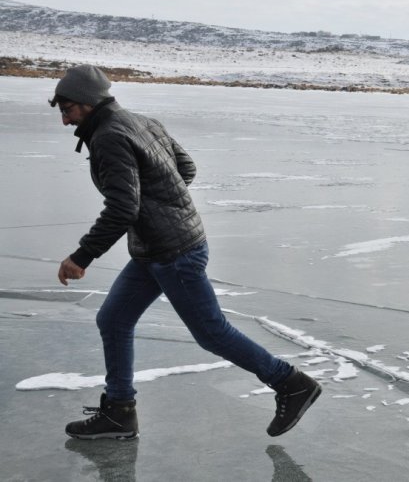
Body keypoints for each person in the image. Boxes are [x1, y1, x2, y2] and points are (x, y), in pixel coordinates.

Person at [50, 65, 321, 440]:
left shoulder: (110, 136)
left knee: (212, 332)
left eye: (67, 110)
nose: (64, 120)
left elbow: (122, 208)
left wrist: (81, 257)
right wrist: (162, 204)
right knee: (113, 320)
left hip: (173, 252)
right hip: (158, 248)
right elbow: (185, 169)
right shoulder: (144, 122)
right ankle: (119, 412)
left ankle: (292, 384)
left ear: (87, 102)